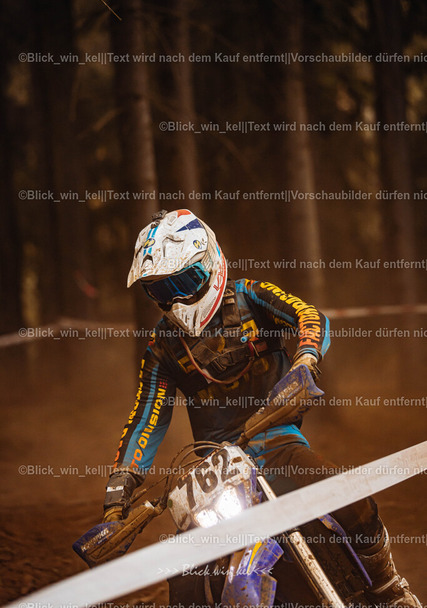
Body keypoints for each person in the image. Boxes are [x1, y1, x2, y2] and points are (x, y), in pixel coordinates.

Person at [103, 208, 421, 608]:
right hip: (214, 468)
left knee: (350, 499)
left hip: (276, 441)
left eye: (183, 282)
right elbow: (146, 418)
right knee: (184, 577)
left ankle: (389, 588)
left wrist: (306, 359)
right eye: (161, 291)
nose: (176, 300)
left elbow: (309, 315)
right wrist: (118, 494)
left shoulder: (250, 296)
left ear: (211, 264)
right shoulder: (162, 347)